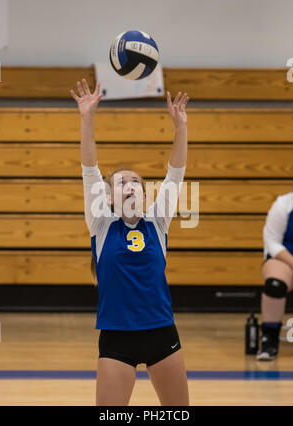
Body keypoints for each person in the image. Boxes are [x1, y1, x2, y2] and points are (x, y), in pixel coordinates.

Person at [70, 79, 190, 405]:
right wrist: (87, 118)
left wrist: (181, 127)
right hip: (116, 336)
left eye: (136, 182)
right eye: (122, 182)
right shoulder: (101, 224)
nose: (131, 186)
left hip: (161, 331)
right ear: (108, 197)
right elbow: (89, 169)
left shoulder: (157, 220)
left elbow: (176, 173)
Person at [257, 192, 293, 361]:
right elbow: (272, 242)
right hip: (287, 260)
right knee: (275, 284)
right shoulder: (284, 204)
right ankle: (269, 340)